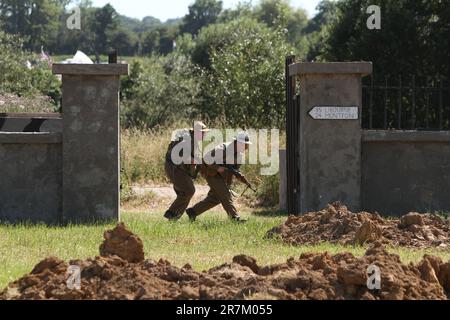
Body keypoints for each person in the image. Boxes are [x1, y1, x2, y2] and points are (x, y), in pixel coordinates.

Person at [186, 132, 252, 223]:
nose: (245, 147)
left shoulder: (239, 155)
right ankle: (235, 219)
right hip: (210, 172)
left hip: (221, 175)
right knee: (225, 194)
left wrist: (241, 178)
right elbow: (206, 158)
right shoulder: (223, 148)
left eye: (246, 145)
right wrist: (217, 168)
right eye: (244, 144)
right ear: (237, 142)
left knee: (215, 198)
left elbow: (234, 170)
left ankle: (193, 212)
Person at [164, 121, 209, 221]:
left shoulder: (196, 142)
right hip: (174, 168)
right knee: (189, 190)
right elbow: (181, 157)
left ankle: (174, 217)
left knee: (185, 193)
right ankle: (171, 213)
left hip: (180, 169)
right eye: (202, 132)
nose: (204, 134)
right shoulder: (186, 141)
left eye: (204, 132)